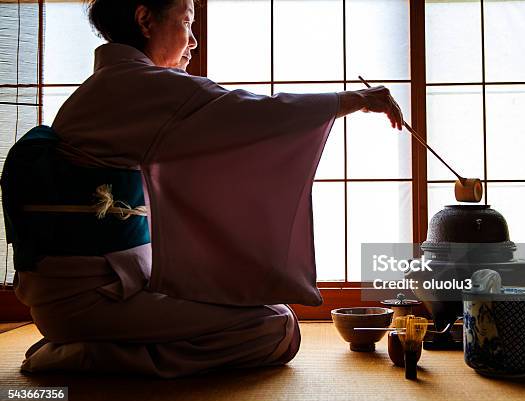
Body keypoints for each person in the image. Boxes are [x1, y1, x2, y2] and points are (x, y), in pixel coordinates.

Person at [2, 0, 404, 378]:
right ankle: (89, 355)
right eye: (187, 22)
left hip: (90, 289)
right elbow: (258, 115)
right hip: (90, 298)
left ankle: (94, 345)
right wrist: (355, 99)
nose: (193, 39)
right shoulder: (140, 85)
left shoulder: (112, 86)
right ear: (145, 21)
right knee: (277, 327)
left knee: (273, 316)